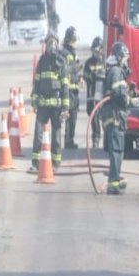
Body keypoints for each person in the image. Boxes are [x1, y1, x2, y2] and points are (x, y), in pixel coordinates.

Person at [30, 32, 70, 172]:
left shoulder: (61, 62)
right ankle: (35, 164)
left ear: (57, 44)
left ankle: (55, 165)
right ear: (45, 45)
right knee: (38, 134)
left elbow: (65, 86)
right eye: (49, 42)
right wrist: (34, 101)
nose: (51, 45)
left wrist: (65, 108)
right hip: (42, 105)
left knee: (56, 137)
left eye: (54, 42)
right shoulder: (42, 61)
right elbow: (37, 83)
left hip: (57, 107)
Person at [102, 41, 136, 195]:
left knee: (117, 150)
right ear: (119, 56)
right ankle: (113, 183)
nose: (126, 61)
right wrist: (130, 100)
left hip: (113, 116)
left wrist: (128, 92)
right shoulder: (116, 71)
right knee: (116, 150)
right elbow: (118, 94)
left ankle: (114, 178)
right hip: (115, 117)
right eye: (125, 57)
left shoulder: (114, 70)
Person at [83, 36, 106, 148]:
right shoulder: (88, 63)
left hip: (102, 97)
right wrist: (92, 76)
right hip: (91, 96)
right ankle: (96, 139)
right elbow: (85, 75)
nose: (96, 53)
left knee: (106, 119)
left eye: (98, 50)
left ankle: (107, 139)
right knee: (94, 118)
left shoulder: (105, 62)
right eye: (94, 50)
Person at [62, 26, 82, 148]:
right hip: (68, 90)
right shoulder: (65, 54)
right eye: (73, 40)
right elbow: (66, 71)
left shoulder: (72, 54)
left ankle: (70, 139)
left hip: (74, 90)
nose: (75, 43)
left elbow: (74, 71)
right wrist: (75, 69)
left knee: (73, 117)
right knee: (69, 116)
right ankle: (67, 140)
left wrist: (79, 78)